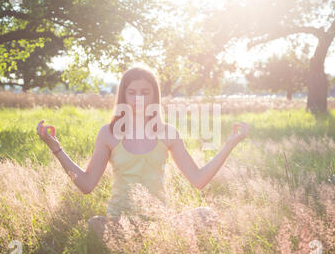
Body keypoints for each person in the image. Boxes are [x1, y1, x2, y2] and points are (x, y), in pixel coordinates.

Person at [37, 66, 250, 241]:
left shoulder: (167, 133)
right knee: (94, 224)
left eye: (145, 92)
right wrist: (56, 148)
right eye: (132, 92)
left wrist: (229, 145)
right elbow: (86, 184)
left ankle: (155, 244)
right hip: (119, 224)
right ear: (124, 96)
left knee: (206, 214)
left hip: (161, 225)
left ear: (154, 96)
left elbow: (198, 180)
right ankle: (132, 244)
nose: (138, 98)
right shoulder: (109, 133)